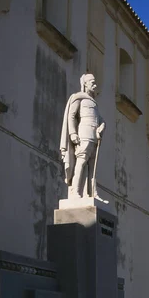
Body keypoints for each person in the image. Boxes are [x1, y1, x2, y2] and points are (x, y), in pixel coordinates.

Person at [60, 73, 107, 202]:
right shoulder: (78, 98)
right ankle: (75, 191)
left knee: (93, 165)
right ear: (85, 84)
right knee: (81, 162)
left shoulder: (94, 103)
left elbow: (101, 119)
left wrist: (102, 126)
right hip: (83, 134)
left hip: (94, 136)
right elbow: (71, 115)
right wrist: (73, 133)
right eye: (92, 82)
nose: (95, 85)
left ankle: (92, 192)